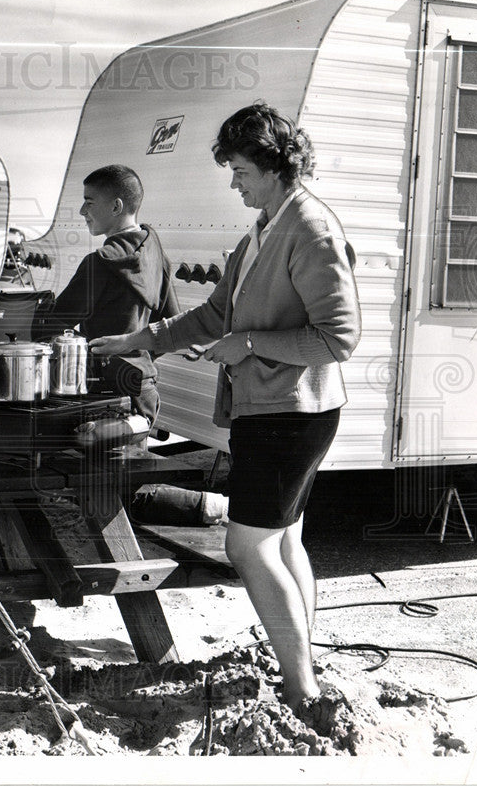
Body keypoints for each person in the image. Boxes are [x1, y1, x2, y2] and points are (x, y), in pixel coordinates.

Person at [90, 102, 361, 710]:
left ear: (272, 165)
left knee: (248, 547)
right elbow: (216, 313)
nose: (233, 181)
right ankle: (300, 663)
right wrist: (142, 339)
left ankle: (301, 687)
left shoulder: (310, 229)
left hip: (291, 414)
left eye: (239, 169)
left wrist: (249, 345)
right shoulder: (266, 225)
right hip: (272, 408)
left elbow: (338, 338)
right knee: (285, 540)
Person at [32, 164, 180, 426]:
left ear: (116, 207)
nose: (82, 211)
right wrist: (137, 354)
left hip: (105, 396)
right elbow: (172, 327)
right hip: (143, 390)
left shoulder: (99, 263)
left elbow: (48, 327)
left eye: (89, 202)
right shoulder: (157, 254)